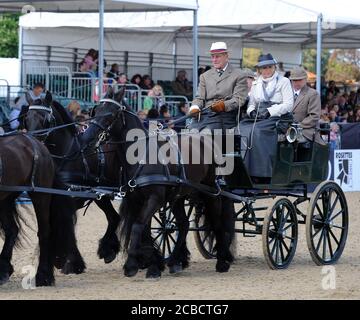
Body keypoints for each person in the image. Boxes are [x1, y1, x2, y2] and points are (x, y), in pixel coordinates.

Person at [240, 53, 294, 181]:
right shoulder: (256, 83)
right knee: (239, 128)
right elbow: (252, 103)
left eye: (269, 67)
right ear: (259, 70)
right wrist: (251, 111)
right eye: (263, 68)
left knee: (257, 132)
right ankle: (241, 168)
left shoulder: (284, 81)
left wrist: (270, 111)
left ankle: (260, 172)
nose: (266, 70)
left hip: (278, 117)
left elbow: (288, 104)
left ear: (274, 67)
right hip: (259, 116)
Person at [189, 41, 248, 131]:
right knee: (188, 133)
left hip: (226, 117)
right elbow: (199, 98)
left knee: (206, 133)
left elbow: (239, 99)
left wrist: (223, 105)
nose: (214, 60)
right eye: (212, 56)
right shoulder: (205, 76)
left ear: (226, 56)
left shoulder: (239, 75)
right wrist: (195, 107)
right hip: (205, 115)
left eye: (218, 56)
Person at [289, 66, 325, 145]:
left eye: (299, 80)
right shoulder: (286, 93)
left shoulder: (312, 94)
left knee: (292, 141)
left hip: (306, 130)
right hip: (287, 129)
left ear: (305, 79)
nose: (296, 83)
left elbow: (314, 116)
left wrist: (297, 126)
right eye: (294, 80)